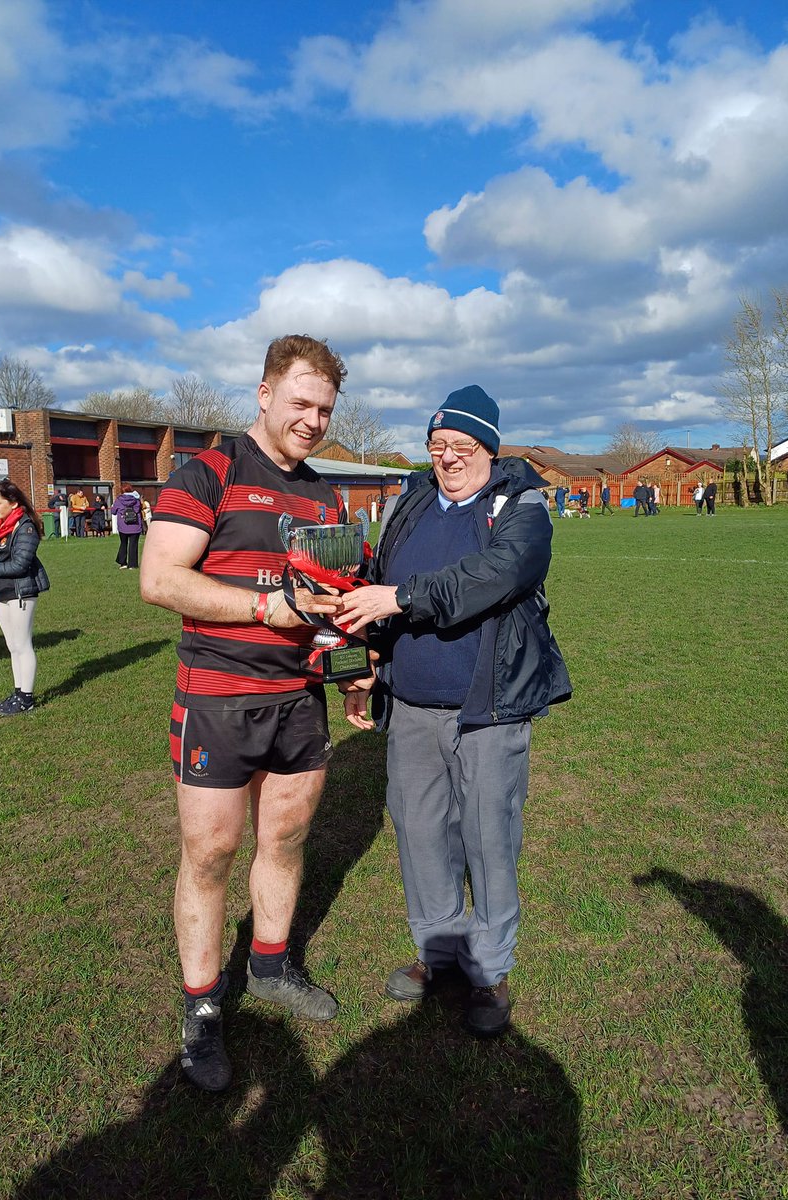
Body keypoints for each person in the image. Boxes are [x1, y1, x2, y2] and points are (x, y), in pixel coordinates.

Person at [140, 334, 348, 1094]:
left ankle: (269, 965)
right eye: (300, 402)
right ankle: (201, 1009)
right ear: (264, 395)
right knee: (210, 854)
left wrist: (349, 664)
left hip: (299, 699)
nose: (313, 419)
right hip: (217, 700)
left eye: (324, 408)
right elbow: (161, 579)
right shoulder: (208, 473)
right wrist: (264, 606)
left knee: (286, 838)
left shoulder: (325, 496)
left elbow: (328, 603)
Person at [335, 385, 571, 1039]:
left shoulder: (520, 509)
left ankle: (490, 971)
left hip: (488, 711)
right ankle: (438, 955)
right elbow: (372, 588)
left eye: (461, 446)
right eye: (436, 445)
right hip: (410, 708)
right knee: (418, 834)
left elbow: (491, 577)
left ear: (488, 449)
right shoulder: (408, 506)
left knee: (489, 840)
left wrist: (400, 597)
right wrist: (367, 672)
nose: (447, 458)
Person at [0, 479, 49, 717]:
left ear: (13, 502)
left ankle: (26, 698)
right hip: (1, 592)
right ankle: (18, 693)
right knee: (12, 646)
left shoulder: (25, 527)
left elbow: (20, 564)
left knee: (22, 644)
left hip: (20, 591)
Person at [111, 486, 143, 569]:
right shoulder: (136, 500)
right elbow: (139, 508)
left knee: (123, 543)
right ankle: (132, 564)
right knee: (133, 545)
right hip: (135, 525)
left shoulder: (118, 500)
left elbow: (113, 512)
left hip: (123, 525)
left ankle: (123, 563)